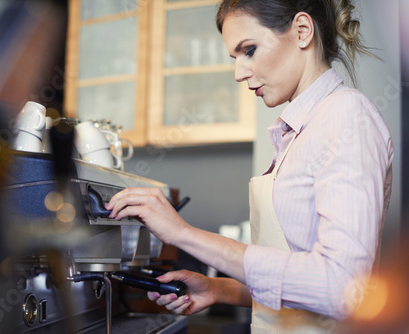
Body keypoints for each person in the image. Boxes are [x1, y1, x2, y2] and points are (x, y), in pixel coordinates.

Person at [106, 0, 394, 332]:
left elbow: (344, 288)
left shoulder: (347, 119)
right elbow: (300, 281)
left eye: (249, 50)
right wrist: (219, 288)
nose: (239, 73)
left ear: (302, 31)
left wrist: (183, 233)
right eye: (235, 57)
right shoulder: (299, 130)